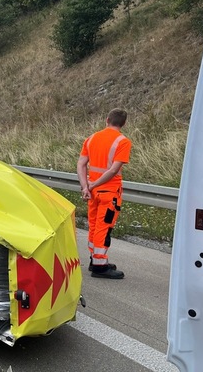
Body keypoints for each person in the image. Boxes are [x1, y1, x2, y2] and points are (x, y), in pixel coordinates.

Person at [77, 108, 132, 279]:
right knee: (104, 228)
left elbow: (81, 164)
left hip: (93, 193)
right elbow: (114, 170)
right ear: (123, 124)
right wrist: (94, 184)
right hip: (109, 193)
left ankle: (95, 260)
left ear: (107, 119)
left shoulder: (91, 138)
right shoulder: (123, 142)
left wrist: (86, 186)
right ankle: (100, 266)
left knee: (94, 226)